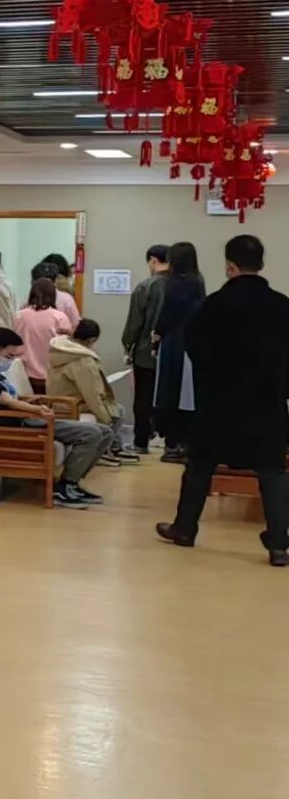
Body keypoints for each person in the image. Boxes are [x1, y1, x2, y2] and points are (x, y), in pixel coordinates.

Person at [157, 235, 289, 567]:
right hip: (267, 405)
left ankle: (184, 529)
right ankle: (278, 545)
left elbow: (194, 348)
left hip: (218, 405)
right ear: (261, 264)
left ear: (230, 266)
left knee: (199, 466)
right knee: (273, 472)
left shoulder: (212, 306)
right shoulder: (282, 306)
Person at [0, 328, 108, 509]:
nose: (11, 361)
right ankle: (63, 487)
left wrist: (32, 405)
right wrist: (37, 410)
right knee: (91, 434)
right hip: (16, 427)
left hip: (27, 420)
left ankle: (71, 484)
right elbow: (6, 401)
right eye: (9, 356)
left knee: (105, 432)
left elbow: (11, 399)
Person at [48, 318, 141, 465]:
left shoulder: (60, 350)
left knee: (115, 409)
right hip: (72, 404)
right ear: (92, 340)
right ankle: (104, 450)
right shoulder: (83, 360)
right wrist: (106, 417)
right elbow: (92, 395)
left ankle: (113, 448)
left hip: (58, 401)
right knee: (116, 411)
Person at [153, 241, 205, 462]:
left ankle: (172, 445)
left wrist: (157, 333)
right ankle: (188, 444)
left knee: (169, 393)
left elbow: (166, 314)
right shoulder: (198, 281)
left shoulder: (173, 284)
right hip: (194, 342)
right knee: (190, 396)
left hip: (174, 342)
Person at [121, 244, 170, 453]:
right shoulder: (182, 286)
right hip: (172, 353)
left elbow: (135, 322)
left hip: (145, 352)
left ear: (153, 260)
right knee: (170, 398)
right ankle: (170, 443)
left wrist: (127, 345)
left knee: (143, 398)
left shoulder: (145, 287)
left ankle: (141, 442)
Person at [14, 278, 71, 394]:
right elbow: (67, 348)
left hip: (23, 375)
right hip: (52, 375)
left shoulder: (19, 316)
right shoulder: (59, 317)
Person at [31, 261, 80, 329]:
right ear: (55, 281)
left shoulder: (29, 302)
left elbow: (76, 326)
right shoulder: (66, 299)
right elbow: (76, 325)